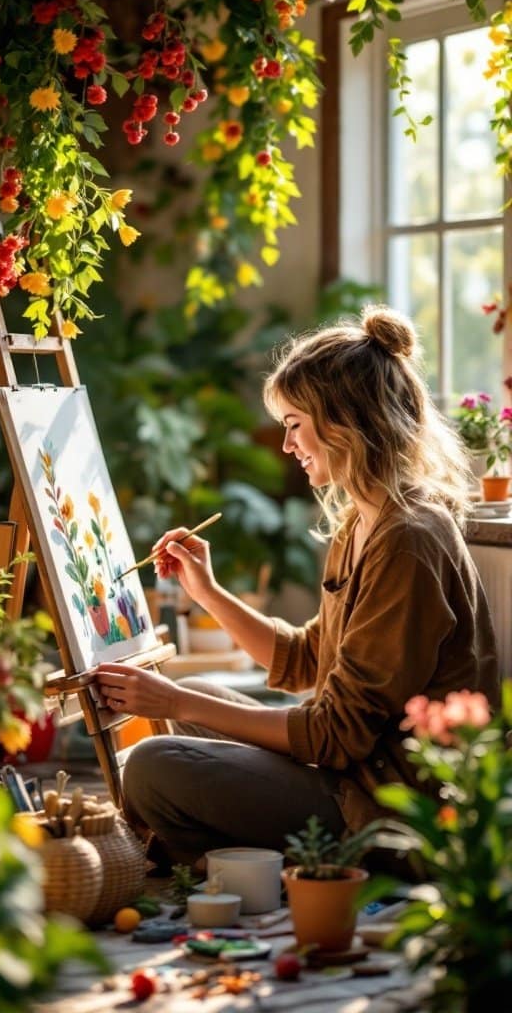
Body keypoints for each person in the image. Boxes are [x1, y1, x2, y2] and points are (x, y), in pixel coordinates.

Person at [96, 304, 500, 868]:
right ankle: (255, 855)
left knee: (153, 764)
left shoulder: (407, 539)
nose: (287, 446)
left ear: (343, 423)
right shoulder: (363, 518)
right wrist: (208, 591)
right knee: (199, 705)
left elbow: (337, 734)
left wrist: (171, 697)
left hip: (389, 810)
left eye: (293, 425)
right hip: (347, 772)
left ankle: (297, 869)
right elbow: (309, 659)